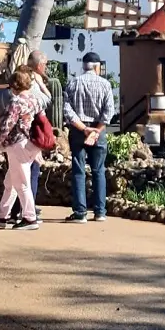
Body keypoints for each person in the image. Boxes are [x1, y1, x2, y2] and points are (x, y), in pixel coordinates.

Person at [0, 50, 52, 223]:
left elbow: (6, 127)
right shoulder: (34, 100)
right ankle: (2, 215)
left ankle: (29, 217)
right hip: (30, 143)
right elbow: (47, 100)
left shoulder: (16, 102)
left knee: (22, 183)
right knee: (10, 182)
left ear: (14, 86)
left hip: (17, 144)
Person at [63, 52, 115, 224]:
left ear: (84, 65)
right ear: (97, 66)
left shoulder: (73, 83)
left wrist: (84, 128)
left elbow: (67, 110)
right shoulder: (105, 84)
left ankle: (80, 213)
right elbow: (109, 112)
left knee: (79, 170)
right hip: (98, 131)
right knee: (98, 170)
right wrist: (96, 130)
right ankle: (100, 212)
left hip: (79, 130)